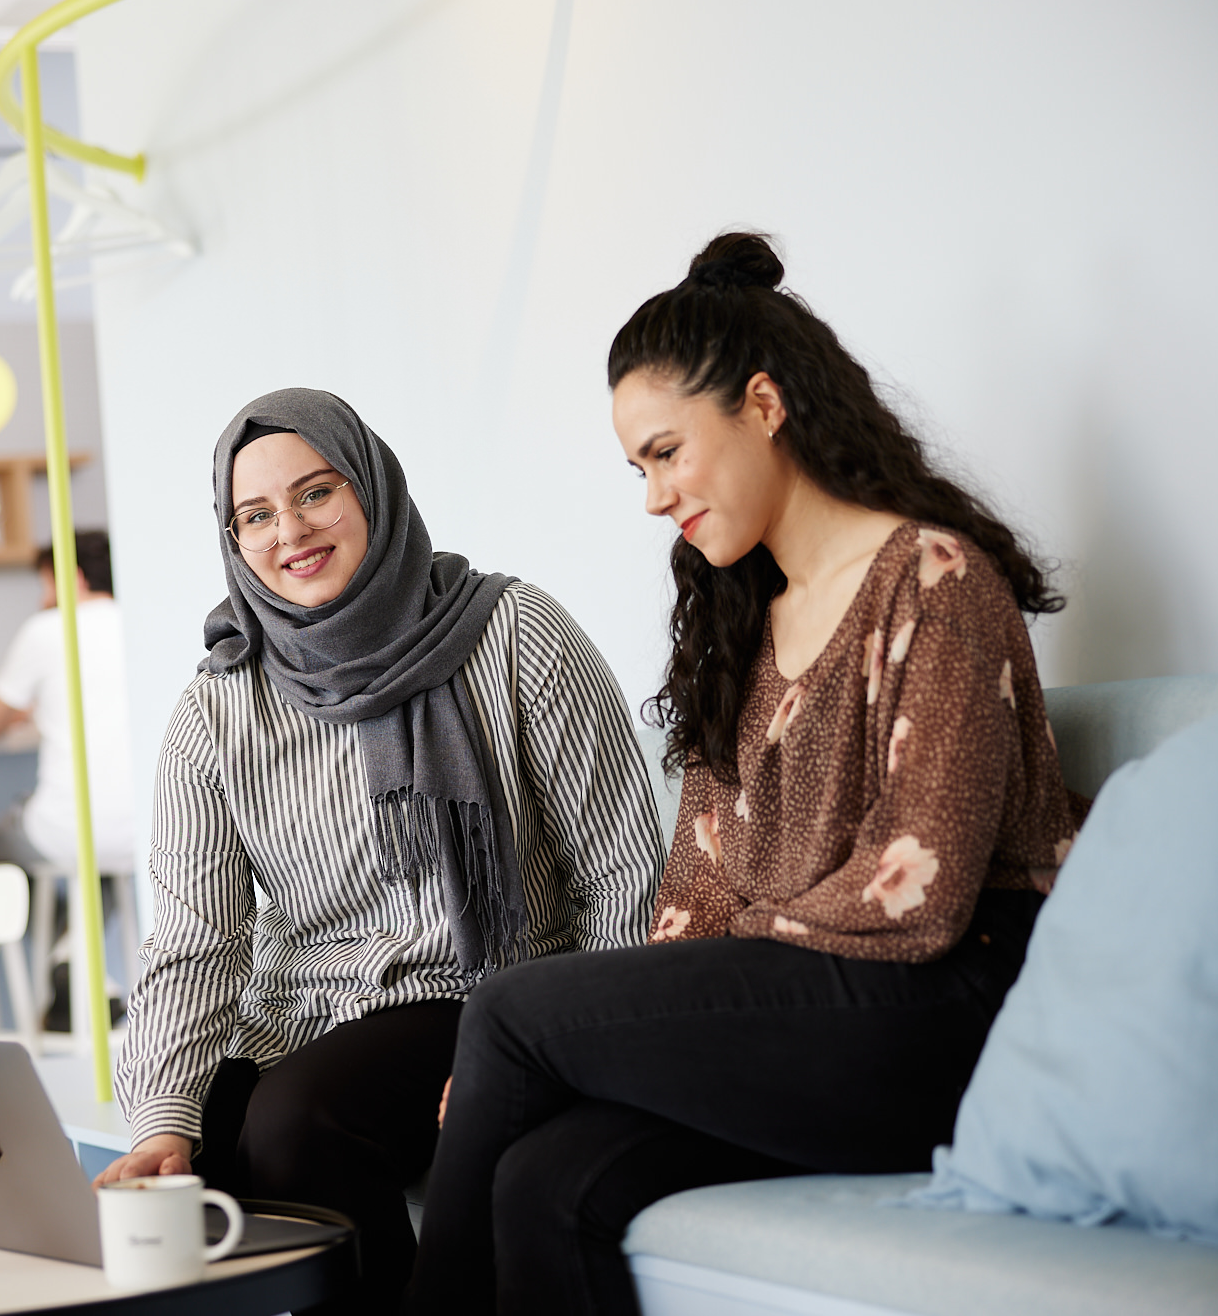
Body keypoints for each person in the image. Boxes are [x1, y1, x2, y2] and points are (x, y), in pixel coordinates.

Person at [408, 233, 1090, 1316]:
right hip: (813, 1024)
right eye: (636, 468)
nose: (650, 497)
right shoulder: (741, 625)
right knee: (543, 1180)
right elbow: (694, 895)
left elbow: (913, 893)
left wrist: (584, 1029)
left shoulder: (934, 580)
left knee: (507, 1013)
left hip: (945, 1021)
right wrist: (614, 1027)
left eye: (665, 452)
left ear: (763, 405)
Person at [93, 389, 668, 1314]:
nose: (292, 530)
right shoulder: (219, 706)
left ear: (370, 488)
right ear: (233, 539)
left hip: (484, 1001)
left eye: (316, 493)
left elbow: (622, 872)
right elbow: (196, 937)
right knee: (215, 1128)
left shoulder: (513, 633)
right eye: (256, 515)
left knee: (295, 1120)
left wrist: (581, 1062)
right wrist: (163, 1121)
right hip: (305, 1016)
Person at [0, 532, 136, 1027]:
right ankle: (77, 959)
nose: (45, 596)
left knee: (4, 840)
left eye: (47, 582)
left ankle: (68, 957)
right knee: (96, 862)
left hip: (68, 829)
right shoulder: (140, 620)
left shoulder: (47, 629)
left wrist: (27, 709)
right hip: (142, 833)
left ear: (74, 578)